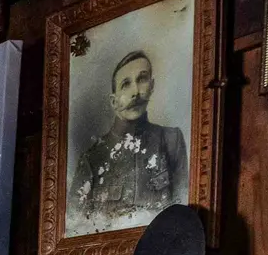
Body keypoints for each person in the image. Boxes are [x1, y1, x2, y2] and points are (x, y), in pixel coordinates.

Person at [70, 50, 188, 229]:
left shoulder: (171, 140)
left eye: (142, 79)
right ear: (113, 101)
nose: (135, 92)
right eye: (125, 84)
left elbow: (183, 212)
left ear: (152, 85)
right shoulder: (92, 160)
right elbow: (75, 227)